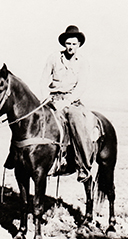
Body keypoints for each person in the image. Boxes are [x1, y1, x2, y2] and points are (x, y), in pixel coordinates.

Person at [40, 25, 101, 182]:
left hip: (72, 101)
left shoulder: (83, 62)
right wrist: (45, 96)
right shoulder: (53, 58)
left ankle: (84, 166)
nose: (71, 47)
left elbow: (81, 86)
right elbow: (44, 78)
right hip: (52, 99)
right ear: (64, 44)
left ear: (79, 45)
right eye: (68, 43)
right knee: (32, 119)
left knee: (75, 120)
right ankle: (16, 157)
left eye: (74, 44)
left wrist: (67, 102)